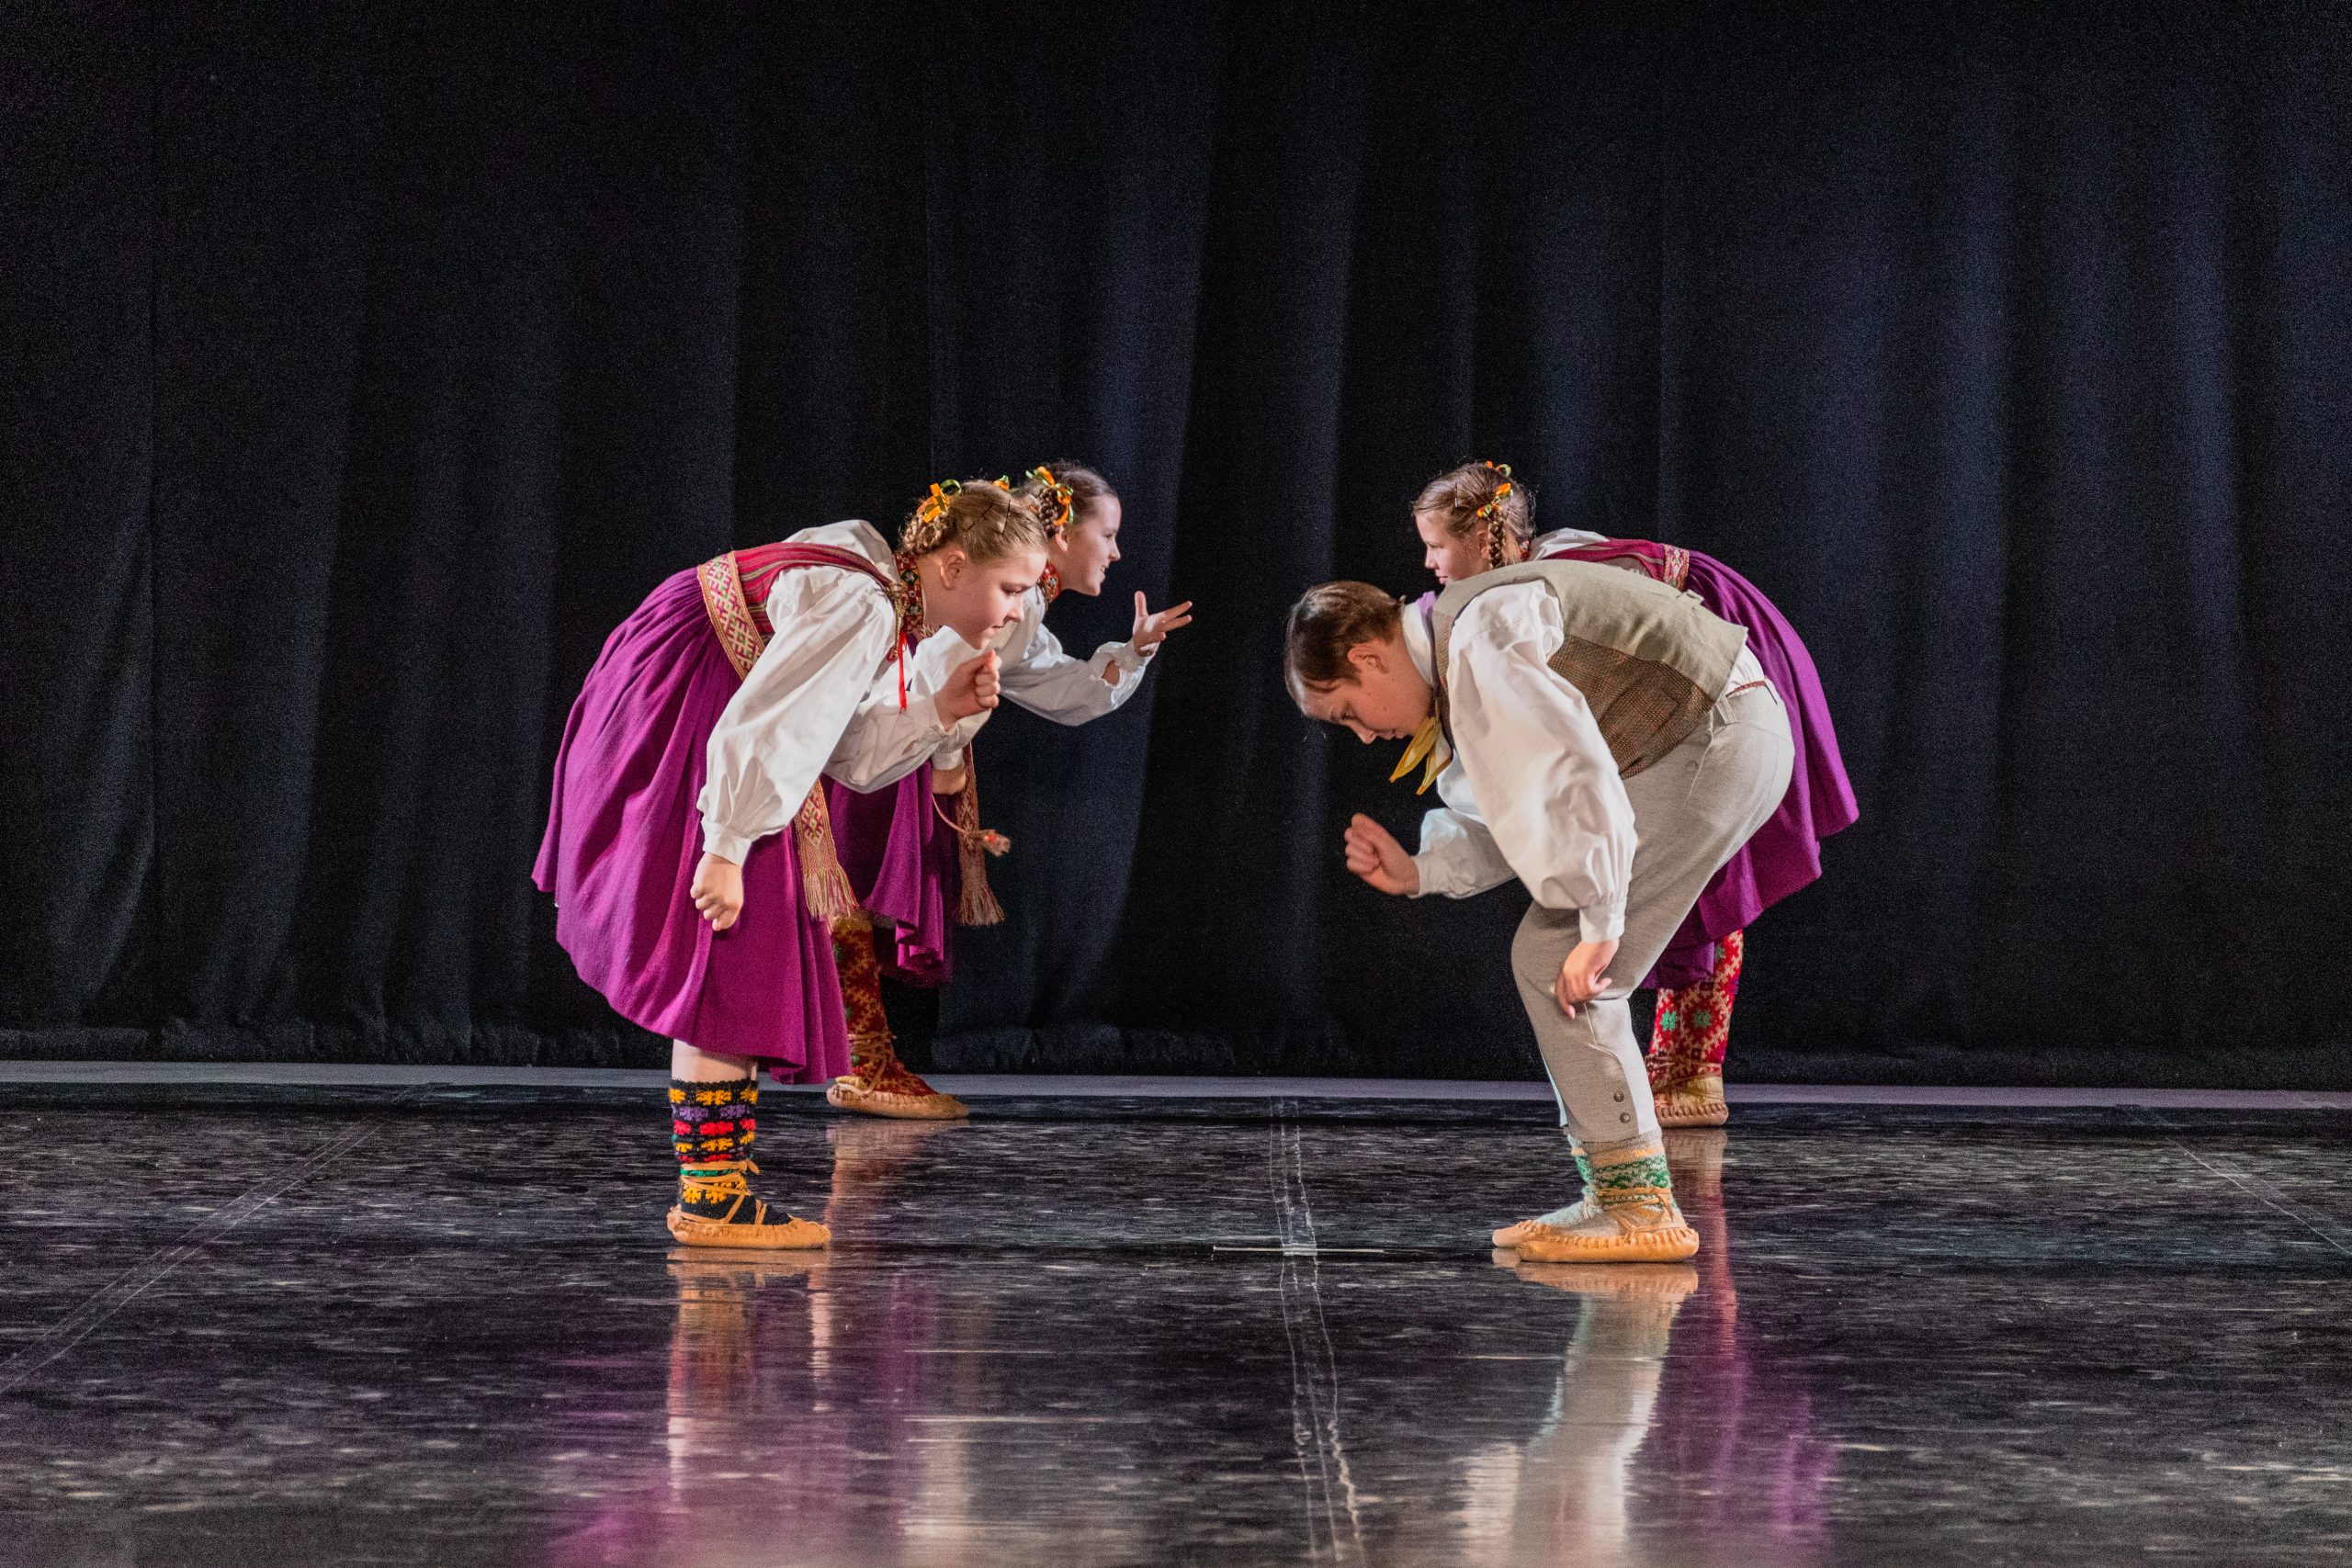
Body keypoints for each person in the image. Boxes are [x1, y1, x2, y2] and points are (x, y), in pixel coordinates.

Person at [535, 479, 1050, 1246]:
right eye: (1010, 588)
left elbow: (834, 742)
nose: (1015, 611)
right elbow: (769, 725)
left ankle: (718, 1185)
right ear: (951, 565)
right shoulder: (864, 603)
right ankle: (712, 1198)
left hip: (691, 690)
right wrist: (725, 847)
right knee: (731, 947)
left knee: (741, 947)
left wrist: (939, 709)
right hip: (695, 703)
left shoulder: (876, 585)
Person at [1286, 569, 1791, 1262]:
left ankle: (1640, 1208)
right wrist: (1422, 870)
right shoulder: (1461, 648)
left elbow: (1577, 770)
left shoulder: (1478, 639)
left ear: (1367, 658)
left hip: (1714, 735)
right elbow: (1525, 804)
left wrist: (1602, 922)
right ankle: (1618, 1198)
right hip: (1718, 735)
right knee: (1549, 954)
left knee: (1557, 957)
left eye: (1347, 712)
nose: (1365, 736)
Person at [1409, 460, 1858, 1126]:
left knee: (1704, 868)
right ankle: (1675, 1066)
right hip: (1681, 687)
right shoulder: (1518, 588)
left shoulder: (1548, 579)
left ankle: (1691, 1067)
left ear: (1480, 540)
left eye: (1435, 546)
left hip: (1723, 663)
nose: (1428, 564)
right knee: (1667, 864)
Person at [823, 463, 1194, 1119]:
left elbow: (1062, 686)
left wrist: (1133, 651)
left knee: (848, 892)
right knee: (846, 890)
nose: (1115, 552)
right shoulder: (1000, 597)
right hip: (886, 739)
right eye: (1107, 534)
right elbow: (935, 664)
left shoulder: (1024, 607)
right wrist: (944, 756)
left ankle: (863, 1057)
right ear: (1062, 532)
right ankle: (862, 1060)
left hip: (899, 738)